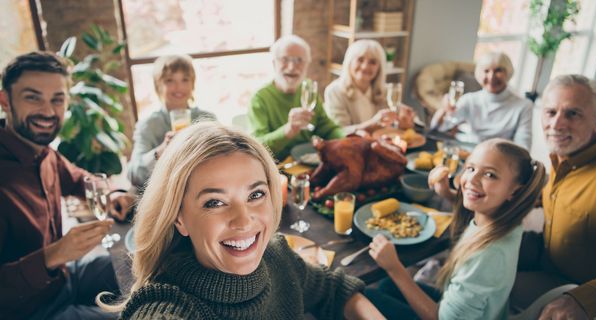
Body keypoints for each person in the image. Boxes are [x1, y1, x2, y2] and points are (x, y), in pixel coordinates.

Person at [99, 121, 384, 319]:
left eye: (256, 194)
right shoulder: (167, 306)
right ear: (179, 218)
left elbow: (333, 289)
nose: (243, 220)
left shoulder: (276, 256)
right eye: (214, 202)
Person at [0, 51, 134, 319]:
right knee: (140, 314)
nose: (48, 111)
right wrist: (52, 256)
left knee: (143, 263)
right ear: (5, 101)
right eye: (32, 97)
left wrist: (112, 195)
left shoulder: (44, 152)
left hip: (64, 280)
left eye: (57, 99)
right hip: (28, 311)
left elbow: (79, 179)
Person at [365, 138, 546, 319]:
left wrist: (394, 267)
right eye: (471, 168)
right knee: (387, 286)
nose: (472, 180)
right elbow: (478, 207)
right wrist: (447, 193)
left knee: (367, 296)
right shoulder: (508, 220)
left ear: (514, 191)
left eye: (490, 175)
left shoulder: (487, 256)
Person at [511, 74, 596, 319]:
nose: (557, 124)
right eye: (550, 112)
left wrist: (587, 299)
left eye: (573, 114)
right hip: (546, 255)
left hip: (577, 285)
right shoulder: (563, 157)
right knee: (470, 255)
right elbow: (550, 197)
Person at [127, 54, 216, 193]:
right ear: (158, 86)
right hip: (163, 197)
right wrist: (161, 151)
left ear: (193, 83)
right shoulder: (149, 125)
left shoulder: (207, 120)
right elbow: (134, 175)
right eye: (170, 81)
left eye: (185, 80)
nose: (178, 87)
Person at [248, 35, 344, 161]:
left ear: (307, 65)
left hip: (308, 161)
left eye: (299, 60)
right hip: (277, 167)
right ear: (274, 63)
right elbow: (256, 147)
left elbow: (326, 127)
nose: (292, 67)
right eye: (285, 59)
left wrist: (346, 140)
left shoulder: (308, 88)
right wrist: (288, 130)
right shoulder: (259, 98)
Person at [430, 52, 533, 149]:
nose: (491, 77)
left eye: (498, 70)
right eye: (486, 71)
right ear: (479, 74)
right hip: (469, 153)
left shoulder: (524, 106)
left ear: (508, 73)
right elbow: (439, 127)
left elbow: (523, 147)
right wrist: (444, 109)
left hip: (501, 159)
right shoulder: (469, 100)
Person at [324, 39, 415, 134]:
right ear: (349, 62)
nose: (365, 67)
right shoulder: (334, 91)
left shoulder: (386, 91)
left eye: (372, 62)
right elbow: (339, 131)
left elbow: (403, 121)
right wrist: (372, 124)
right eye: (360, 60)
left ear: (379, 68)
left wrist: (406, 121)